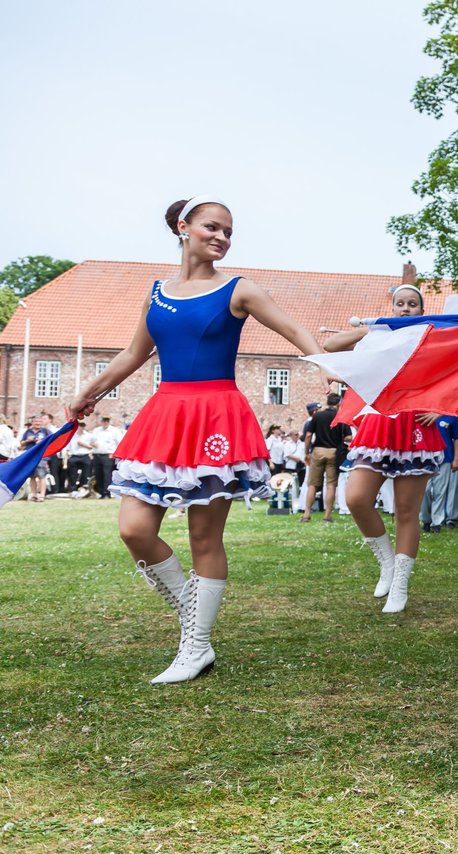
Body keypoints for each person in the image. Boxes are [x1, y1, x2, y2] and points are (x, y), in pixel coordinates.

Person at [67, 196, 329, 684]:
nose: (222, 238)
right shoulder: (157, 292)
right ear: (183, 227)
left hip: (216, 415)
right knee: (133, 529)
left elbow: (299, 334)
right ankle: (195, 621)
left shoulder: (239, 289)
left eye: (228, 232)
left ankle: (196, 647)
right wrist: (89, 389)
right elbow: (133, 353)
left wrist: (342, 358)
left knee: (204, 536)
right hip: (165, 414)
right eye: (213, 227)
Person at [321, 284, 444, 612]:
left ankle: (400, 583)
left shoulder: (429, 337)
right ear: (392, 308)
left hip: (415, 426)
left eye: (412, 304)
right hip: (377, 423)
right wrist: (369, 328)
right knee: (356, 497)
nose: (405, 308)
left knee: (406, 511)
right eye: (400, 304)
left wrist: (441, 407)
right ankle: (387, 564)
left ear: (421, 310)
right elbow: (329, 345)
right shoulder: (376, 337)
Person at [301, 393, 350, 523]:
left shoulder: (317, 415)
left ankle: (306, 514)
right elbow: (348, 437)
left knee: (312, 484)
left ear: (327, 402)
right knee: (331, 485)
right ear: (339, 403)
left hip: (318, 450)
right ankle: (327, 516)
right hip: (334, 451)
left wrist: (307, 452)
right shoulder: (341, 417)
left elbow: (308, 435)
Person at [19, 414, 51, 501]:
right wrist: (27, 440)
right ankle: (34, 495)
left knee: (42, 475)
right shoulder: (27, 432)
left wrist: (42, 442)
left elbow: (52, 441)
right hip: (30, 456)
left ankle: (42, 495)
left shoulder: (46, 431)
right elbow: (21, 444)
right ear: (32, 422)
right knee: (32, 476)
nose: (38, 423)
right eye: (36, 421)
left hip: (41, 456)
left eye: (40, 421)